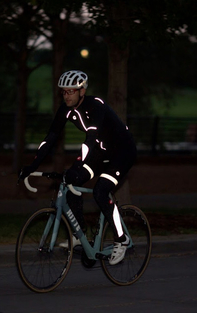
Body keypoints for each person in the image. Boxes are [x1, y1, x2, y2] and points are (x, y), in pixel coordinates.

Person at [19, 70, 137, 265]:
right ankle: (79, 232)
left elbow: (90, 138)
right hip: (99, 150)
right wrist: (32, 166)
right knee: (71, 180)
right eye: (64, 92)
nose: (67, 96)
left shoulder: (95, 105)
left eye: (71, 91)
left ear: (82, 91)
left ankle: (121, 239)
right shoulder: (65, 110)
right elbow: (50, 139)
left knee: (100, 190)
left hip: (122, 152)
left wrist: (80, 163)